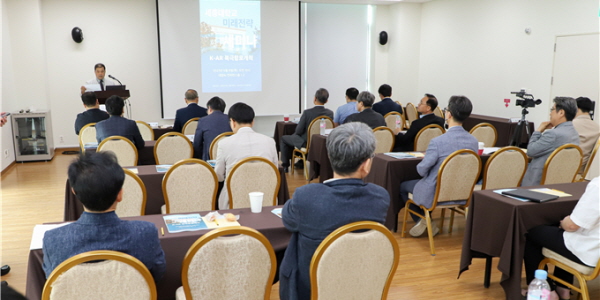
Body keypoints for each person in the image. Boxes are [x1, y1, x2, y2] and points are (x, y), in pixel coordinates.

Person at [279, 122, 390, 300]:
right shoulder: (380, 198)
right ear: (367, 165)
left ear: (330, 157)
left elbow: (288, 220)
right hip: (359, 283)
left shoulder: (306, 196)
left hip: (311, 289)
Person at [42, 152, 166, 281]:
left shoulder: (53, 240)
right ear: (120, 195)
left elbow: (54, 285)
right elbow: (157, 274)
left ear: (74, 191)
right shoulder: (146, 232)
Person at [399, 95, 478, 237]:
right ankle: (424, 219)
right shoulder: (473, 141)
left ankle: (422, 218)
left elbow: (422, 170)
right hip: (462, 191)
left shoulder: (437, 142)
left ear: (449, 114)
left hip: (436, 191)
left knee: (403, 186)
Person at [522, 177, 599, 300]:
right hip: (595, 250)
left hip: (588, 252)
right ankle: (563, 288)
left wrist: (563, 222)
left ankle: (546, 292)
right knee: (562, 233)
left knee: (531, 233)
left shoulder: (598, 186)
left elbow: (571, 225)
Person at [214, 102, 278, 210]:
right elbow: (275, 171)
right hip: (265, 198)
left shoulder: (224, 143)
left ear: (232, 122)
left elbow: (219, 175)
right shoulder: (269, 141)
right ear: (253, 122)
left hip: (233, 199)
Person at [521, 97, 580, 187]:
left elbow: (531, 151)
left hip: (538, 182)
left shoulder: (553, 134)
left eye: (552, 109)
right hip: (560, 183)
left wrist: (538, 131)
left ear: (561, 113)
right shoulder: (574, 133)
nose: (550, 113)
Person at [280, 88, 334, 172]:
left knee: (285, 138)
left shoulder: (307, 113)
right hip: (321, 144)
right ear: (326, 101)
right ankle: (301, 162)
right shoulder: (330, 113)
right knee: (295, 137)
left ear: (315, 98)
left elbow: (298, 131)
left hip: (307, 144)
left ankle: (285, 166)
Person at [193, 96, 232, 161]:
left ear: (210, 108)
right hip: (229, 158)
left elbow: (197, 144)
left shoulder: (203, 120)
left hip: (209, 161)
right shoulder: (231, 120)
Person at [572, 97, 599, 174]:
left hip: (562, 168)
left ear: (576, 108)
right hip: (582, 171)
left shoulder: (569, 125)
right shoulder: (597, 127)